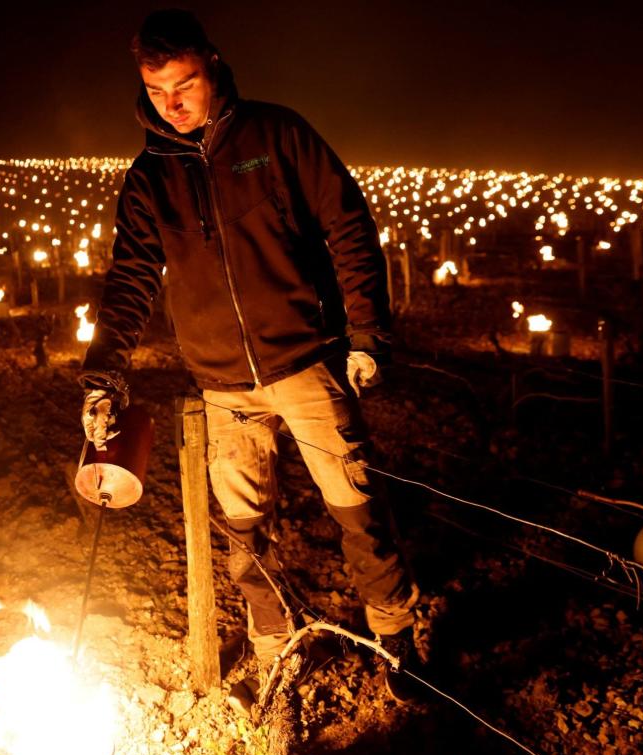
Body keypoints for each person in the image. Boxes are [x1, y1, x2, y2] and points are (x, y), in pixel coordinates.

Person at [79, 9, 419, 703]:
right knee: (242, 537)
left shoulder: (277, 134)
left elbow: (347, 226)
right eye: (155, 92)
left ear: (212, 66)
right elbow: (130, 278)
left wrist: (364, 334)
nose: (170, 105)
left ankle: (396, 641)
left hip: (305, 364)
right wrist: (103, 373)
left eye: (183, 85)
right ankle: (272, 652)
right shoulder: (149, 178)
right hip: (222, 385)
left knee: (359, 514)